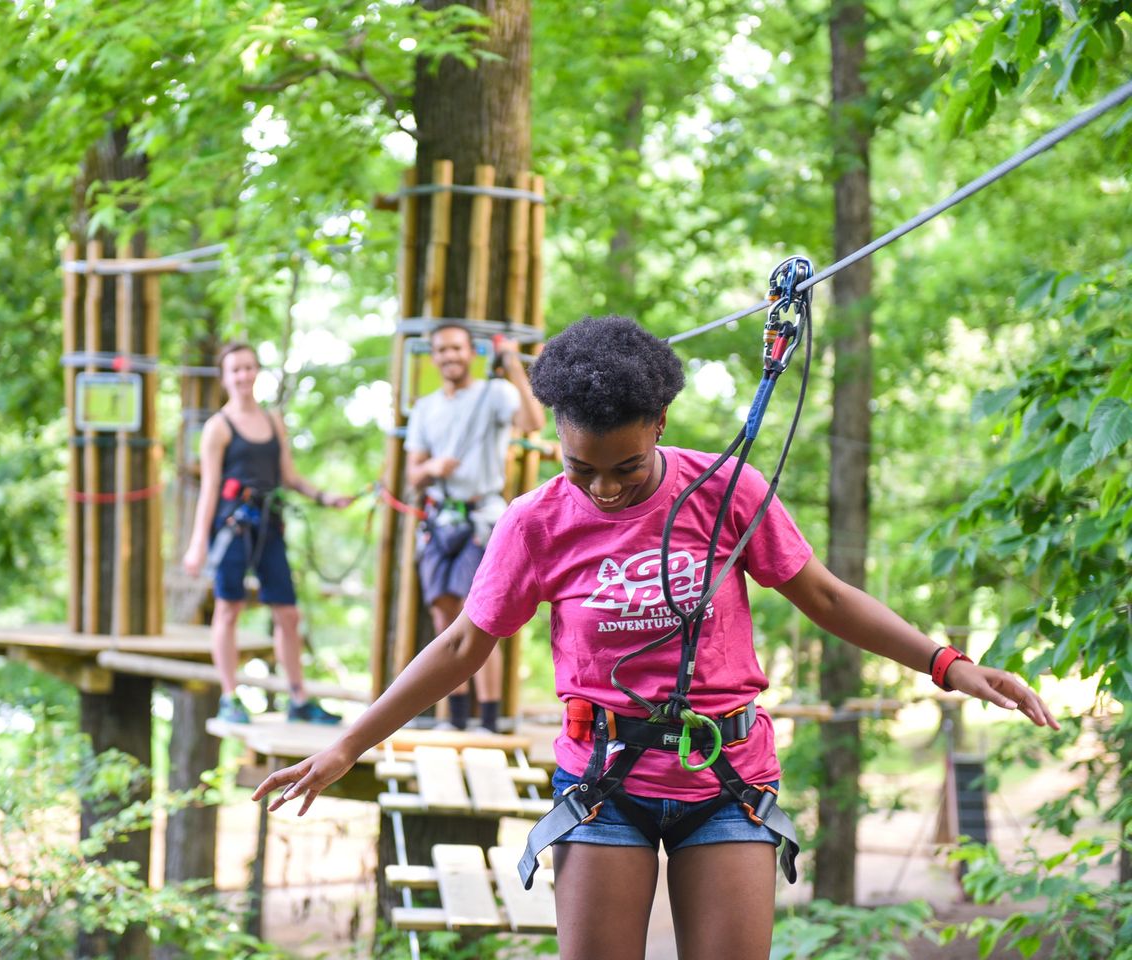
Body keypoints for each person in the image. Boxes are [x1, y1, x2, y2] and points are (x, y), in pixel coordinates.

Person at [253, 315, 1059, 959]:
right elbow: (465, 645)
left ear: (660, 423)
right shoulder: (535, 522)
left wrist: (946, 664)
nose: (603, 489)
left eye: (626, 468)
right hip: (603, 783)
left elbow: (822, 594)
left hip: (725, 780)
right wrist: (349, 743)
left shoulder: (727, 492)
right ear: (558, 437)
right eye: (580, 468)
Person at [182, 342, 352, 725]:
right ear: (225, 378)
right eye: (235, 370)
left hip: (269, 525)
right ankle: (229, 696)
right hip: (232, 526)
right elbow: (209, 487)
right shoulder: (218, 428)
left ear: (257, 371)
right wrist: (196, 545)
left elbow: (288, 476)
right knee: (228, 608)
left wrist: (324, 496)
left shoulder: (274, 421)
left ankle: (298, 699)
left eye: (248, 368)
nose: (243, 375)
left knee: (288, 614)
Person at [404, 322, 545, 733]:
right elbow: (414, 474)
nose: (450, 356)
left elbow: (533, 420)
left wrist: (512, 366)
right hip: (440, 517)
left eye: (457, 349)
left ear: (472, 353)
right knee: (442, 612)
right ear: (434, 356)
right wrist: (432, 467)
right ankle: (456, 717)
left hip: (481, 514)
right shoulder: (426, 408)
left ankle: (489, 716)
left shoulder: (495, 394)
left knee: (477, 614)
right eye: (442, 350)